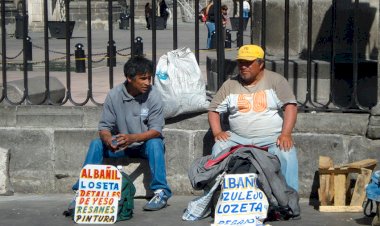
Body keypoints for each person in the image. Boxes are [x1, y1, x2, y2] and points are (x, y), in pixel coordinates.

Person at [68, 56, 172, 211]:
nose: (147, 83)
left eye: (149, 78)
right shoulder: (114, 95)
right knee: (97, 144)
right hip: (121, 145)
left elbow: (156, 130)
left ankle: (161, 191)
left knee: (156, 143)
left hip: (143, 145)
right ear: (129, 78)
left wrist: (133, 138)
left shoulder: (154, 95)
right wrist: (108, 139)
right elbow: (104, 127)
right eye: (142, 79)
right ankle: (83, 191)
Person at [207, 44, 299, 191]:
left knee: (286, 153)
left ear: (260, 63)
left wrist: (286, 134)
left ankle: (289, 199)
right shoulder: (230, 84)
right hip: (238, 137)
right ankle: (214, 194)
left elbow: (290, 106)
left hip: (271, 138)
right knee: (219, 147)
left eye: (248, 63)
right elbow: (213, 109)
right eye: (241, 62)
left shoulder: (276, 81)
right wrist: (217, 132)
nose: (243, 66)